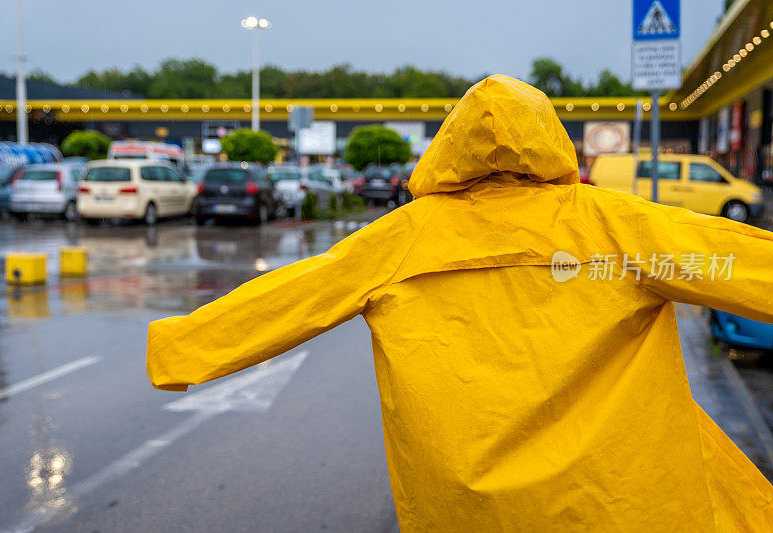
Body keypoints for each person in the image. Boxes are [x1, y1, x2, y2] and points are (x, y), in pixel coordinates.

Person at [147, 76, 773, 531]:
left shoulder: (405, 237)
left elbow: (294, 295)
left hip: (466, 510)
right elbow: (739, 263)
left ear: (447, 150)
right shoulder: (618, 229)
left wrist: (181, 349)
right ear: (553, 144)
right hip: (618, 503)